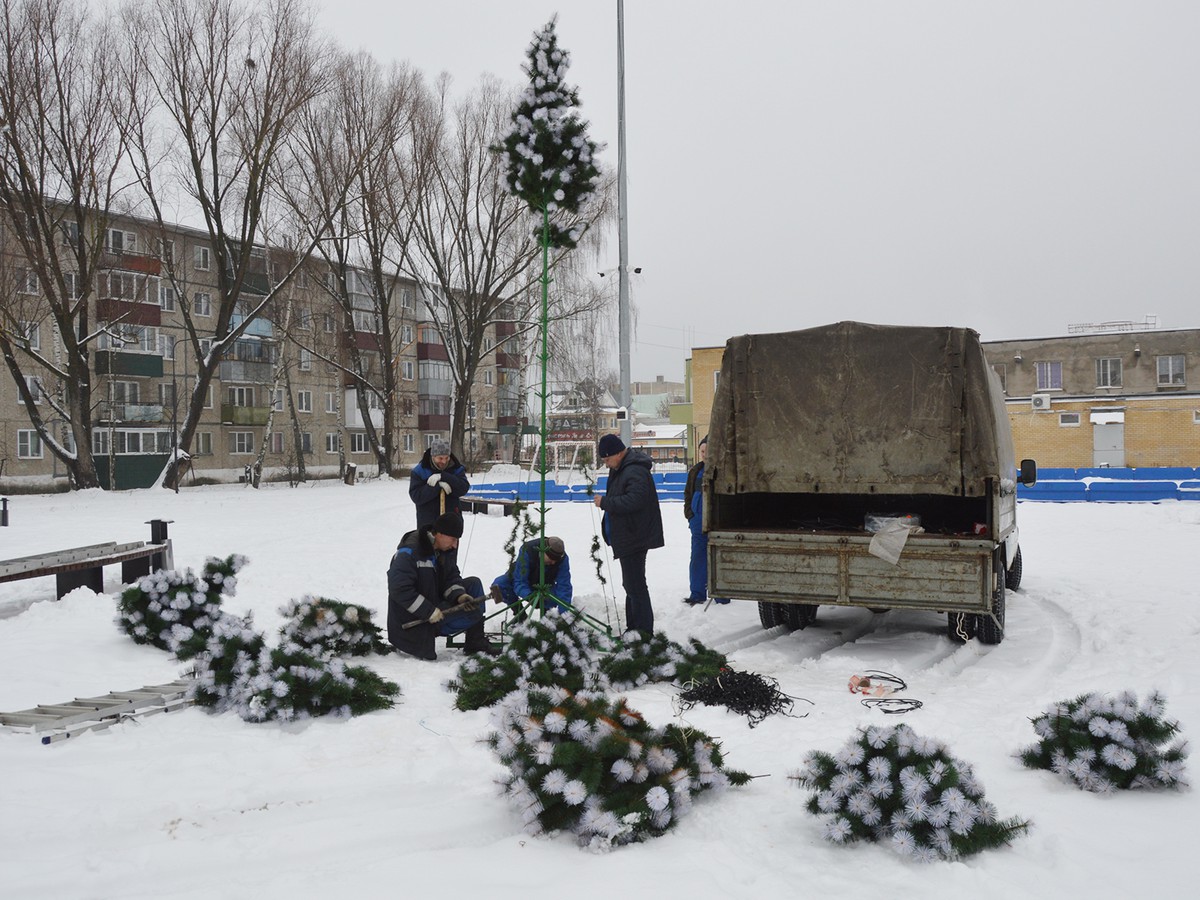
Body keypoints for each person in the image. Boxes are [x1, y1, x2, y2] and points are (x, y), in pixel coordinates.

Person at [386, 512, 500, 660]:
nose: (455, 545)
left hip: (434, 603)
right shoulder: (410, 552)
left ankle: (475, 642)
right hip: (413, 621)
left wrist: (460, 596)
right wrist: (429, 612)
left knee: (474, 584)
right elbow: (399, 590)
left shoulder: (444, 549)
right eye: (453, 539)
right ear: (439, 534)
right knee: (474, 615)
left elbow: (450, 577)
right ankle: (436, 631)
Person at [593, 433, 664, 636]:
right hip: (627, 536)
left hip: (634, 536)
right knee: (631, 584)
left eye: (607, 459)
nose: (607, 464)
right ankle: (634, 628)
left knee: (636, 585)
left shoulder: (634, 470)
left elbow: (635, 500)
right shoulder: (622, 469)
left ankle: (643, 631)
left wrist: (606, 502)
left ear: (618, 453)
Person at [683, 436, 730, 606]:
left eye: (707, 451)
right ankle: (697, 593)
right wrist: (690, 514)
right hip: (697, 522)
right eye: (702, 451)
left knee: (719, 556)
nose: (704, 454)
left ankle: (722, 595)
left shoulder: (723, 471)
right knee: (697, 557)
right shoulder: (695, 471)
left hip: (718, 522)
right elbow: (688, 494)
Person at [491, 536, 572, 618]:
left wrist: (565, 615)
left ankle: (548, 619)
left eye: (556, 560)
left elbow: (564, 586)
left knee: (557, 595)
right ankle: (520, 617)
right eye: (551, 559)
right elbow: (520, 581)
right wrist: (530, 596)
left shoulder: (562, 559)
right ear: (543, 552)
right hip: (523, 580)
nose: (553, 562)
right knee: (500, 585)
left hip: (546, 586)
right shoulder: (527, 550)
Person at [409, 439, 470, 529]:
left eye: (447, 458)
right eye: (440, 458)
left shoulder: (456, 468)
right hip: (428, 523)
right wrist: (437, 486)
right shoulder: (420, 471)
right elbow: (417, 496)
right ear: (433, 456)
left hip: (452, 522)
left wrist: (444, 476)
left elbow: (463, 488)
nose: (444, 462)